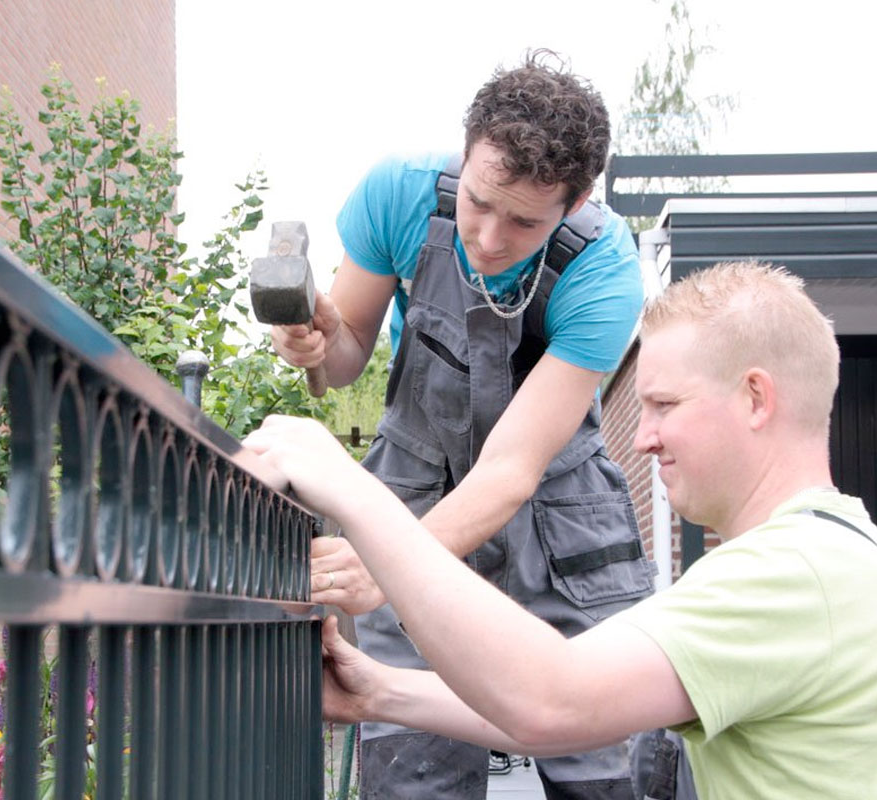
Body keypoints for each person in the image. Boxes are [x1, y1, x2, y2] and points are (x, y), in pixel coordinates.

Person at [246, 262, 877, 800]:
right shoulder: (829, 551)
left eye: (663, 404)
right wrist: (379, 693)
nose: (641, 439)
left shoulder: (797, 574)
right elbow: (593, 711)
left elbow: (553, 699)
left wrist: (353, 490)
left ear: (756, 398)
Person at [268, 49, 654, 798]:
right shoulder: (398, 194)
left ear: (574, 205)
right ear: (466, 151)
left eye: (524, 221)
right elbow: (344, 359)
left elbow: (511, 470)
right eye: (480, 200)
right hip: (414, 485)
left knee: (607, 755)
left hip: (560, 525)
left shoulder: (605, 271)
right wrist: (314, 343)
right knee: (414, 764)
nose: (488, 236)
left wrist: (387, 561)